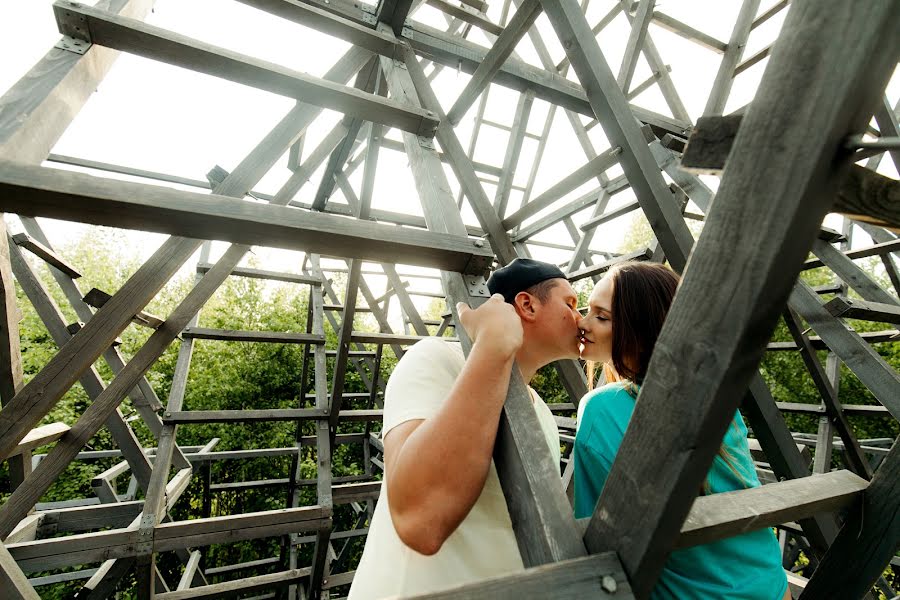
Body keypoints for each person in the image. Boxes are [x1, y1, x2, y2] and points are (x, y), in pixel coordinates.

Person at [348, 258, 583, 599]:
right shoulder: (436, 358)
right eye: (571, 303)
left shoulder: (542, 413)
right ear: (527, 304)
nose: (580, 316)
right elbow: (421, 519)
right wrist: (493, 344)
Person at [575, 261, 790, 600]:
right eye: (587, 310)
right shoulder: (714, 394)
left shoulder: (600, 408)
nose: (581, 324)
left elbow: (597, 532)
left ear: (643, 333)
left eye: (601, 317)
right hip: (768, 583)